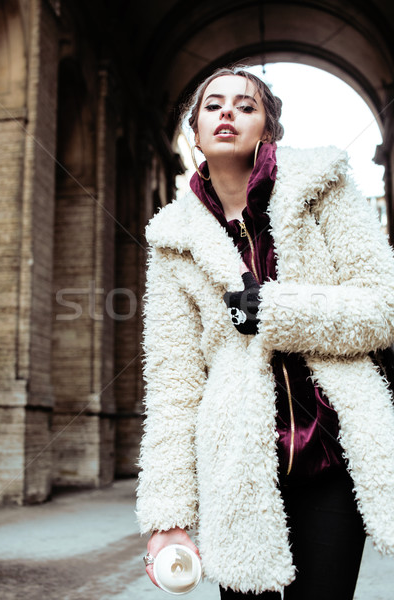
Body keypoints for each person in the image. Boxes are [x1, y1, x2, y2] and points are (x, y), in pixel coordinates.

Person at [135, 65, 394, 599]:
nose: (228, 111)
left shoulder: (323, 187)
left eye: (246, 105)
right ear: (194, 130)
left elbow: (384, 306)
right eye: (213, 104)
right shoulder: (171, 239)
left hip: (334, 455)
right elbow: (174, 384)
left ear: (268, 130)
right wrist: (167, 516)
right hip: (237, 467)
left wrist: (275, 309)